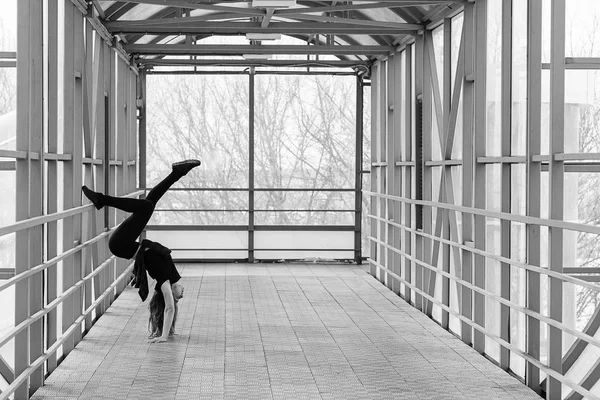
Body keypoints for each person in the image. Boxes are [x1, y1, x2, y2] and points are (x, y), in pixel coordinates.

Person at [81, 159, 201, 343]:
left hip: (120, 245)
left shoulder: (165, 283)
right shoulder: (170, 276)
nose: (182, 295)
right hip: (127, 244)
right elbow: (169, 308)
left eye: (178, 298)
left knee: (146, 207)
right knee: (149, 203)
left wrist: (163, 336)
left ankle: (101, 199)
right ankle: (177, 173)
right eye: (179, 297)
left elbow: (169, 308)